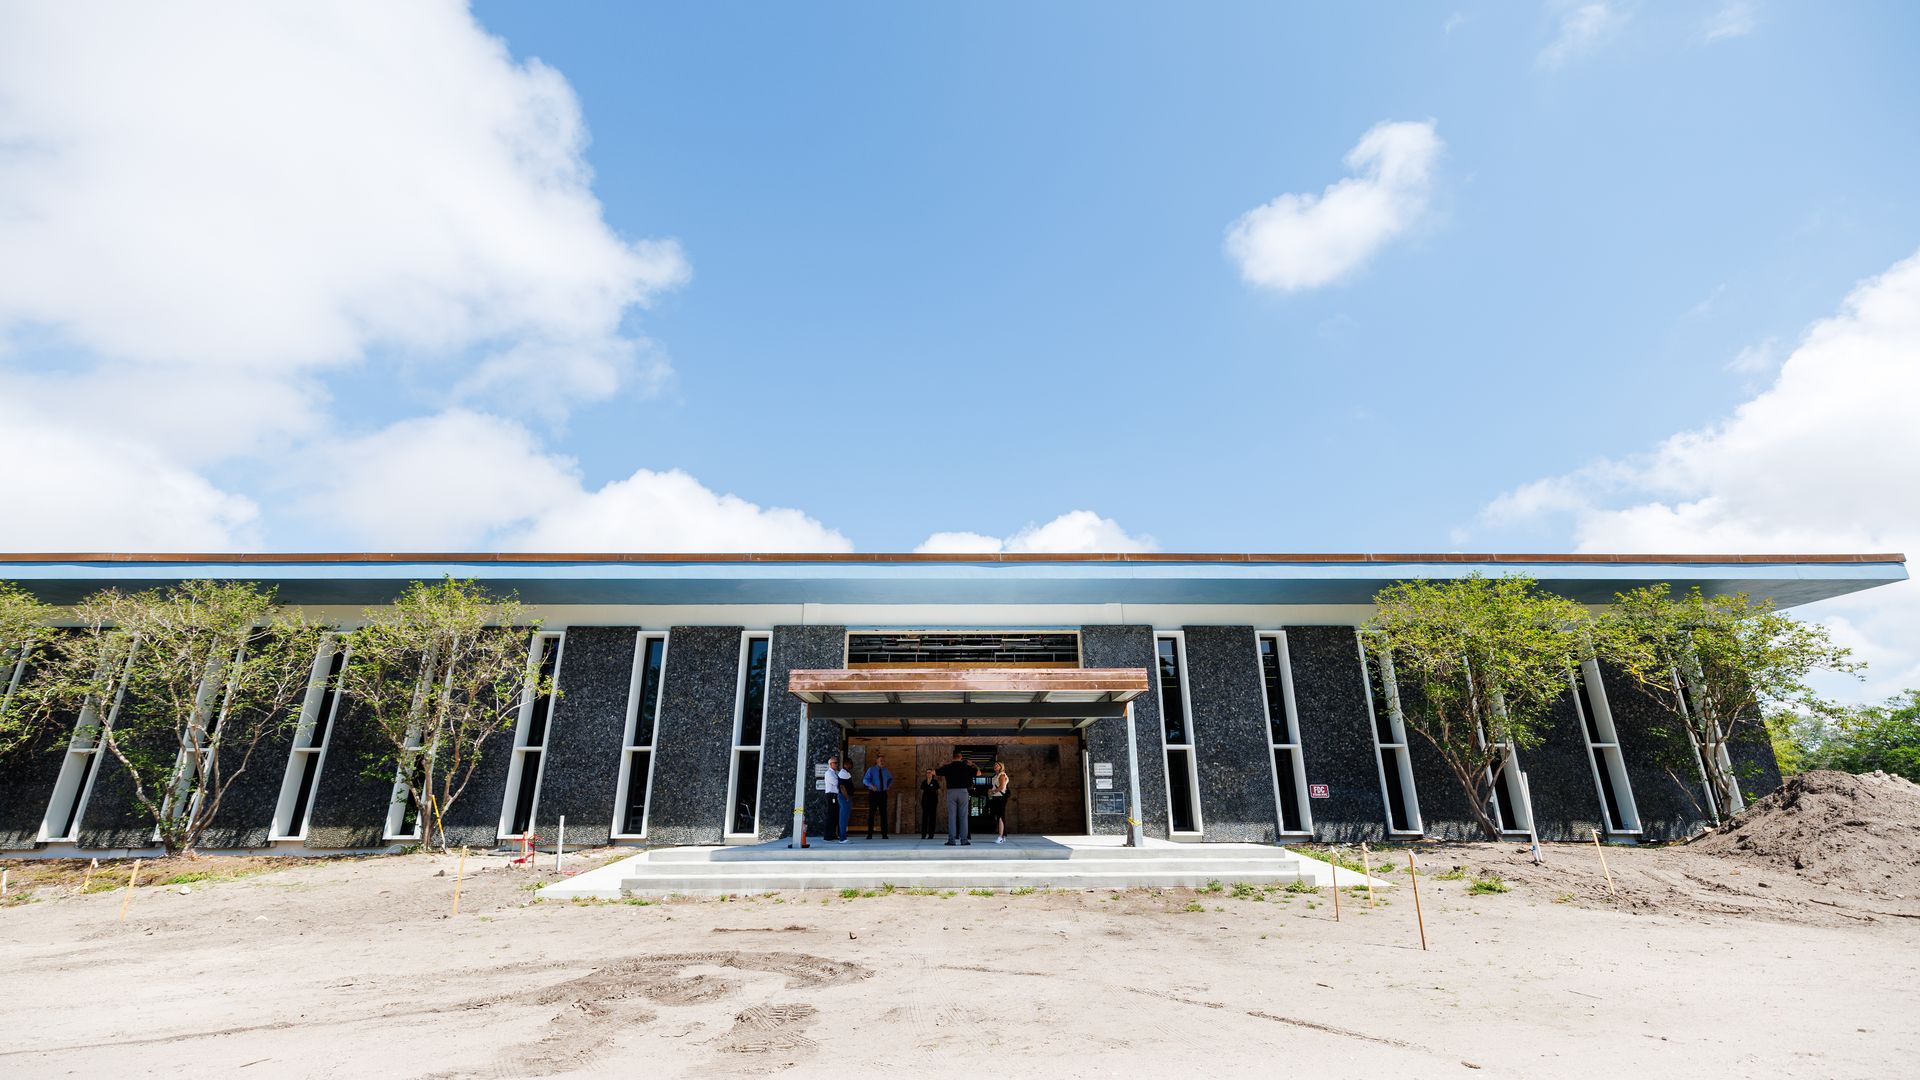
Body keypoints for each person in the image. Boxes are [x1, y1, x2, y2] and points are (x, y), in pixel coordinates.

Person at [936, 751, 978, 846]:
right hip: (963, 792)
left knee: (952, 817)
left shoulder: (948, 767)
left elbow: (934, 772)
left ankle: (952, 840)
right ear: (961, 757)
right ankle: (964, 840)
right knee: (963, 817)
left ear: (953, 757)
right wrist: (973, 764)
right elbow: (978, 773)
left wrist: (941, 765)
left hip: (951, 792)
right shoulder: (966, 767)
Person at [822, 754, 852, 843]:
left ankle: (833, 834)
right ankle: (828, 836)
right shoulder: (828, 773)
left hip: (836, 795)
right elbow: (836, 783)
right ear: (830, 764)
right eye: (835, 763)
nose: (837, 764)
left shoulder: (836, 772)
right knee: (830, 815)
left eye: (837, 763)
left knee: (835, 816)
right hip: (831, 795)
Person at [862, 754, 894, 839]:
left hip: (883, 794)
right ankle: (869, 834)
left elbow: (891, 779)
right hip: (874, 794)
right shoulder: (871, 770)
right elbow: (865, 780)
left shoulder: (886, 770)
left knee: (884, 814)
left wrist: (888, 786)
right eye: (881, 761)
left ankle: (884, 834)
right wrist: (871, 785)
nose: (882, 762)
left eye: (883, 761)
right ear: (877, 761)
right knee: (872, 814)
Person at [989, 760, 1011, 843]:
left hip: (1001, 797)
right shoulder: (995, 776)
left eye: (997, 765)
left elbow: (1002, 787)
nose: (995, 766)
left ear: (1001, 767)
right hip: (996, 797)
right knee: (999, 816)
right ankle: (1004, 836)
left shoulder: (1002, 775)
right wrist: (991, 791)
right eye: (994, 765)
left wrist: (993, 791)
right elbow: (995, 787)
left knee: (1000, 816)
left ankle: (1000, 837)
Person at [918, 768, 940, 840]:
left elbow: (937, 792)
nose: (928, 774)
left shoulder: (935, 782)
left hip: (933, 802)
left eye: (930, 772)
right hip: (925, 802)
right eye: (927, 772)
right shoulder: (924, 782)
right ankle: (923, 835)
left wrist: (936, 801)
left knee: (932, 819)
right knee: (924, 818)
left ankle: (931, 835)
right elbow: (922, 791)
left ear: (932, 774)